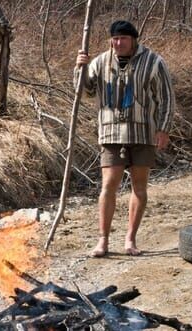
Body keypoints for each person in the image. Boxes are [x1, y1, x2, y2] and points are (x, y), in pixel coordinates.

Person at [75, 20, 175, 257]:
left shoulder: (153, 62)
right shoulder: (100, 62)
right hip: (110, 132)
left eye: (124, 39)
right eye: (115, 39)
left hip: (143, 133)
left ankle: (130, 239)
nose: (119, 43)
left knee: (139, 187)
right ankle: (103, 241)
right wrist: (80, 67)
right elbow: (85, 92)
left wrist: (163, 129)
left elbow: (167, 98)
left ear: (134, 40)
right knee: (109, 186)